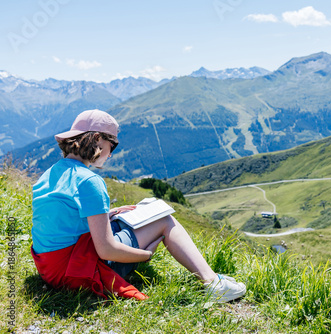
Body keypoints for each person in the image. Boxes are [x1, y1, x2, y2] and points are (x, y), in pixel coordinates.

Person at [31, 109, 246, 302]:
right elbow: (106, 250)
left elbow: (62, 220)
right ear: (97, 139)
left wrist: (107, 214)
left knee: (122, 218)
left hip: (49, 269)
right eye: (111, 144)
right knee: (163, 219)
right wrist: (146, 255)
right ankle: (213, 284)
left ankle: (211, 279)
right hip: (76, 272)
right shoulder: (89, 181)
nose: (111, 152)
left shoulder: (50, 173)